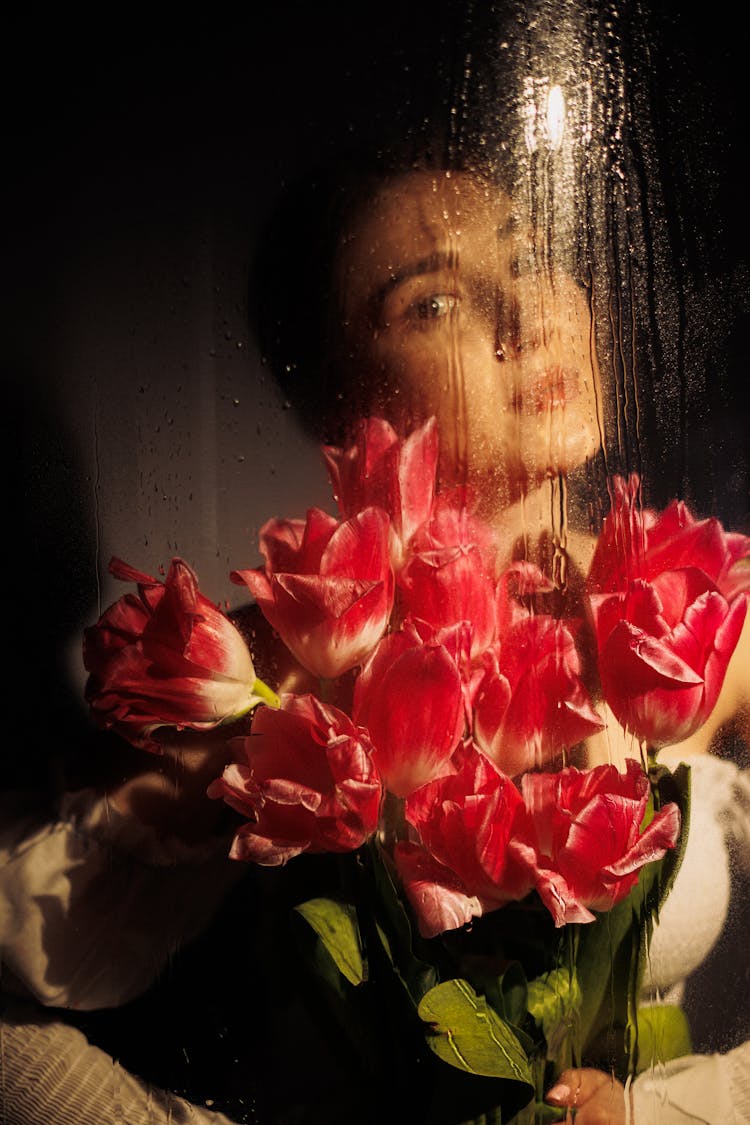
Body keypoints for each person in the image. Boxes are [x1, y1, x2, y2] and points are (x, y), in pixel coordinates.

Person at [2, 152, 749, 1123]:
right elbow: (29, 965)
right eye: (434, 305)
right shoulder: (273, 658)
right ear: (336, 399)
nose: (527, 320)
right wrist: (270, 717)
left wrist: (669, 1115)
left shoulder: (697, 612)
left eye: (529, 260)